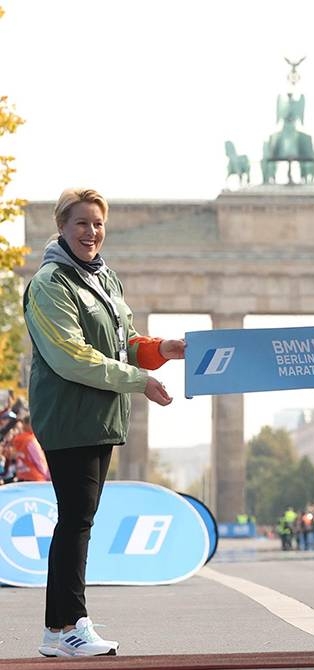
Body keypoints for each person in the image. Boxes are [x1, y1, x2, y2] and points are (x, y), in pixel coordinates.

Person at [22, 188, 185, 656]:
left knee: (80, 519)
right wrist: (140, 381)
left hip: (100, 416)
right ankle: (68, 625)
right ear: (61, 227)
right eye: (82, 223)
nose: (92, 232)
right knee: (74, 519)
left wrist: (160, 351)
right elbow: (72, 356)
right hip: (69, 416)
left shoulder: (104, 278)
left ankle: (60, 629)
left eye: (97, 223)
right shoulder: (52, 283)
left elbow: (123, 341)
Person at [10, 414, 51, 482]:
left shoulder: (16, 440)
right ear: (29, 424)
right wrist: (47, 477)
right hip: (35, 478)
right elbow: (39, 460)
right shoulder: (31, 440)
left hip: (21, 476)